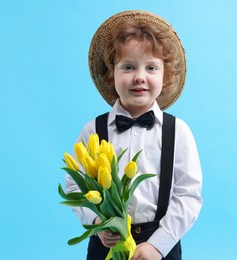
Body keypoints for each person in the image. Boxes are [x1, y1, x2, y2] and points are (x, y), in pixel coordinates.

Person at [66, 10, 202, 260]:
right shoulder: (92, 131)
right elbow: (75, 185)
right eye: (128, 67)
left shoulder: (178, 132)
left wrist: (158, 245)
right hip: (106, 241)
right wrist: (97, 221)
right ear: (112, 75)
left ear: (165, 76)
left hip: (161, 241)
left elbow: (188, 195)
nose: (140, 76)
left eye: (151, 67)